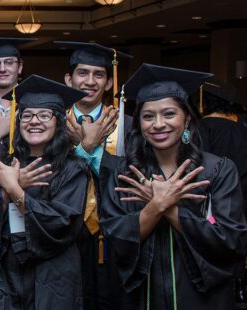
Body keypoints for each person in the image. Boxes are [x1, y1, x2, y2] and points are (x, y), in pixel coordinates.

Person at [99, 64, 247, 309]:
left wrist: (168, 208)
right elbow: (116, 239)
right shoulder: (126, 173)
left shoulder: (216, 170)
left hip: (202, 297)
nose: (158, 124)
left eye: (169, 114)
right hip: (144, 295)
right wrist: (156, 206)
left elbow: (231, 241)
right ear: (139, 124)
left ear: (186, 118)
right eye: (148, 116)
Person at [0, 75, 90, 309]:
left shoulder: (73, 168)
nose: (34, 121)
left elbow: (63, 223)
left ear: (58, 122)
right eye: (27, 115)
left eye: (44, 115)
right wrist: (5, 194)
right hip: (6, 274)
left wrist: (15, 189)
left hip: (53, 275)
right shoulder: (0, 164)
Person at [54, 40, 134, 309]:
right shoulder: (51, 124)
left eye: (98, 74)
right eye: (82, 73)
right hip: (65, 228)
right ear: (69, 79)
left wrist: (87, 151)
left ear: (109, 82)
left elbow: (131, 177)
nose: (90, 81)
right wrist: (85, 148)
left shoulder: (127, 126)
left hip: (112, 230)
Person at [196, 80, 247, 200]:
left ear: (205, 102)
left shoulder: (204, 126)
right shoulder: (243, 121)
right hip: (243, 188)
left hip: (218, 189)